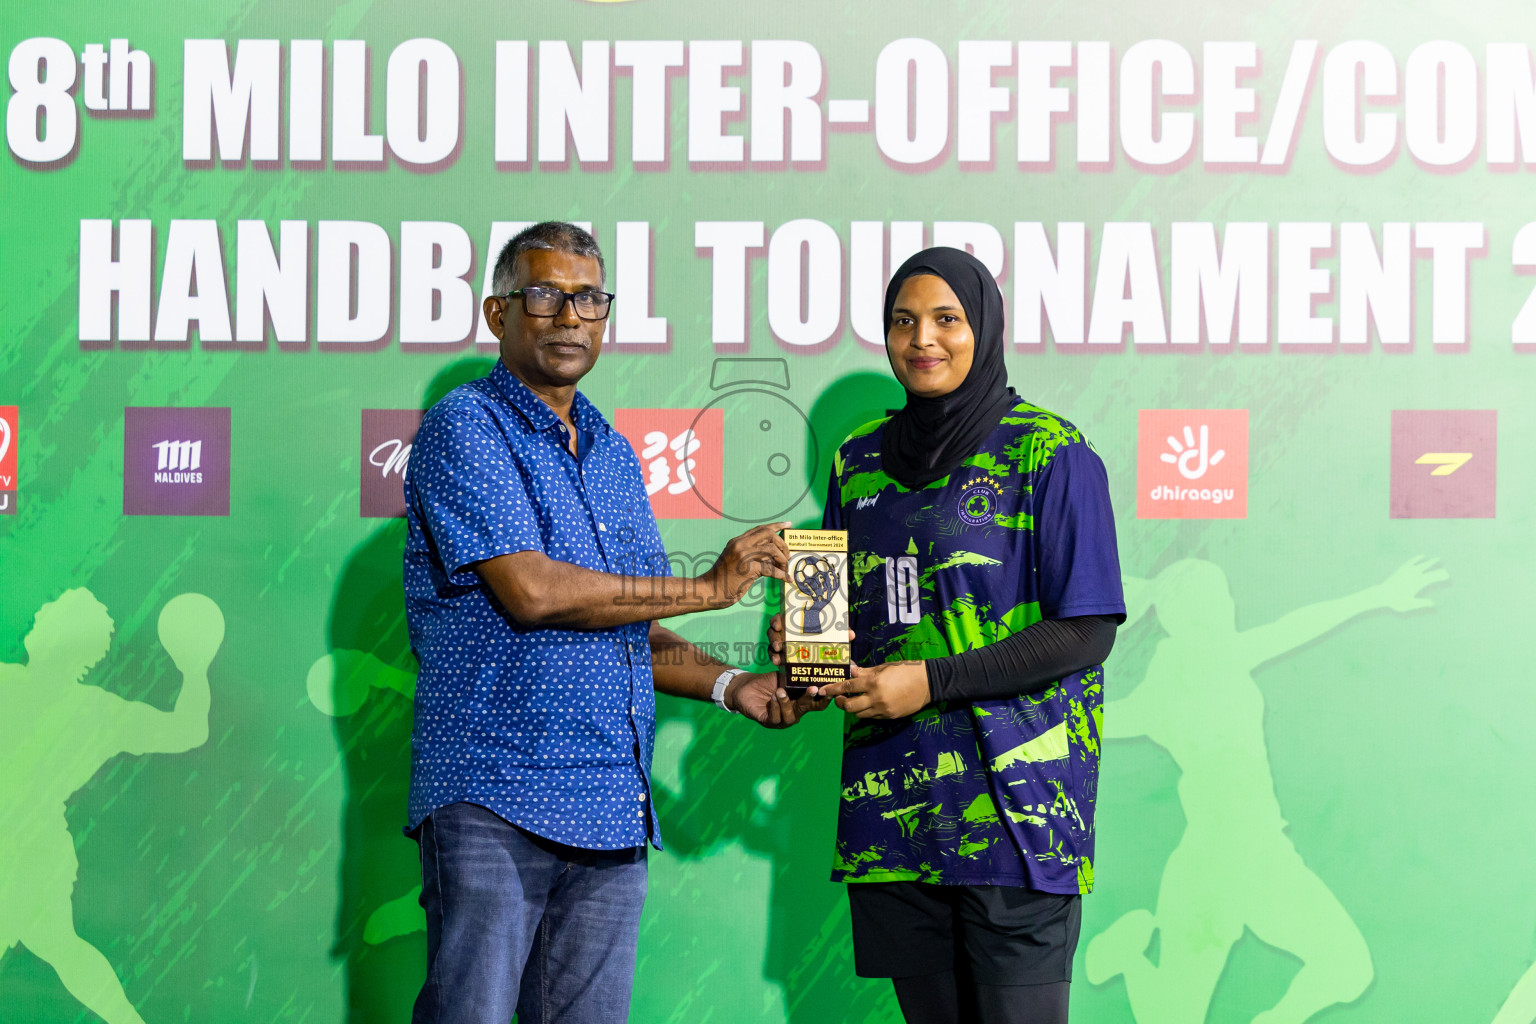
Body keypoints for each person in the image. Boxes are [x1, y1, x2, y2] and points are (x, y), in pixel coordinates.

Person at [402, 221, 817, 1024]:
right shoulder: (467, 426)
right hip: (496, 795)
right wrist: (708, 586)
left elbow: (626, 618)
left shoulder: (614, 452)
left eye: (588, 297)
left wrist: (737, 687)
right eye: (545, 294)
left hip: (608, 806)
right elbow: (536, 591)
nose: (568, 315)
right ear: (498, 313)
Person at [773, 247, 1125, 1024]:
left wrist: (928, 682)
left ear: (985, 328)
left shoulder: (1050, 452)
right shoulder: (857, 458)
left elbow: (1088, 630)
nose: (922, 339)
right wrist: (804, 655)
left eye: (946, 319)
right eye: (904, 321)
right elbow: (837, 629)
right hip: (891, 813)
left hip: (1016, 818)